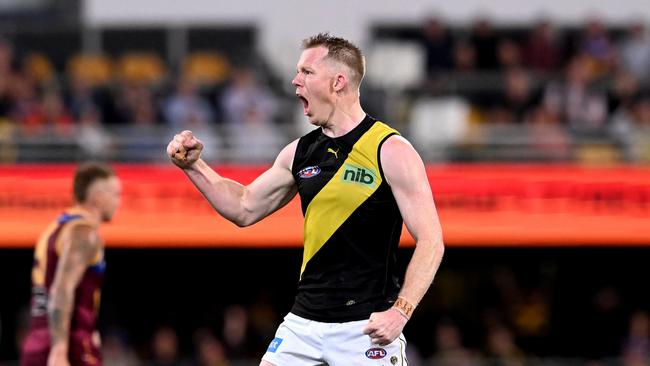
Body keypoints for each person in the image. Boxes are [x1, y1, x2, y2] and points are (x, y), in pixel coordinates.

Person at [167, 33, 444, 365]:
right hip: (303, 324)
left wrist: (400, 312)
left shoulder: (391, 149)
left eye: (307, 72)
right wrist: (194, 166)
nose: (295, 81)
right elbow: (243, 206)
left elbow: (431, 241)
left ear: (338, 82)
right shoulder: (299, 152)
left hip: (367, 328)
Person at [21, 162, 122, 366]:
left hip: (37, 341)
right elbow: (61, 289)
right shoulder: (84, 233)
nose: (118, 202)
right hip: (70, 345)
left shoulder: (55, 228)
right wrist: (60, 350)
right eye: (116, 194)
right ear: (98, 197)